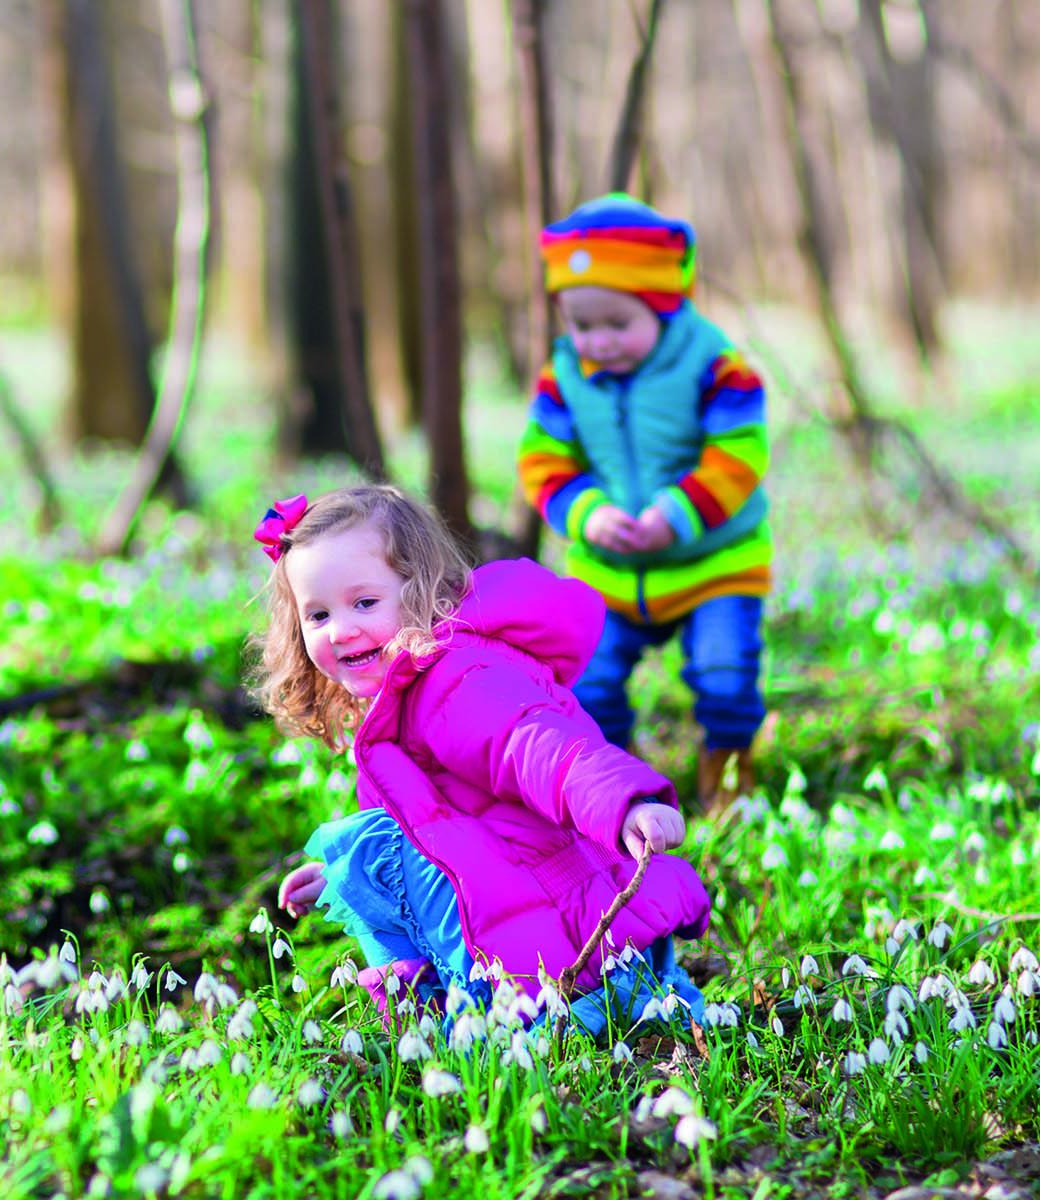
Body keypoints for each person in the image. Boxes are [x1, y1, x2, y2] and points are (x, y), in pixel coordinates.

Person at [254, 485, 709, 1038]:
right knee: (363, 852)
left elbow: (536, 745)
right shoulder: (405, 698)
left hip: (566, 952)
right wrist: (342, 880)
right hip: (545, 930)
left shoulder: (457, 682)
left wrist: (622, 801)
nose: (340, 629)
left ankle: (458, 1017)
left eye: (365, 603)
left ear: (421, 591)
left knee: (368, 846)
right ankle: (433, 1017)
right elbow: (438, 824)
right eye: (318, 614)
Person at [516, 192, 771, 813]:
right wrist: (587, 513)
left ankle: (728, 774)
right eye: (582, 325)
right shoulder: (564, 375)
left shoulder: (713, 364)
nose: (599, 341)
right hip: (609, 568)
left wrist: (676, 516)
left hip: (714, 561)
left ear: (663, 305)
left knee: (724, 670)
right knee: (590, 678)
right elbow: (542, 459)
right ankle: (617, 786)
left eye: (617, 323)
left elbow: (739, 450)